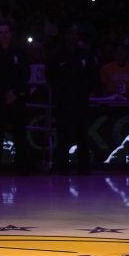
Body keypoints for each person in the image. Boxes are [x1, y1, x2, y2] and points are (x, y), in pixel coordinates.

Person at [45, 24, 94, 175]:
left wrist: (86, 92)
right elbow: (50, 76)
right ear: (65, 36)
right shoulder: (56, 55)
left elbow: (91, 75)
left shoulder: (85, 54)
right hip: (63, 102)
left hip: (80, 101)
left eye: (75, 34)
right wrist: (59, 92)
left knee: (82, 136)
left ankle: (84, 167)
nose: (73, 37)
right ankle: (62, 167)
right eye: (70, 34)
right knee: (63, 136)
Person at [0, 22, 30, 175]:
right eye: (0, 32)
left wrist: (15, 92)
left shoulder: (20, 52)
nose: (3, 35)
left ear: (10, 34)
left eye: (6, 32)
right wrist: (3, 94)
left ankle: (22, 164)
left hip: (16, 98)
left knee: (19, 132)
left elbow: (25, 74)